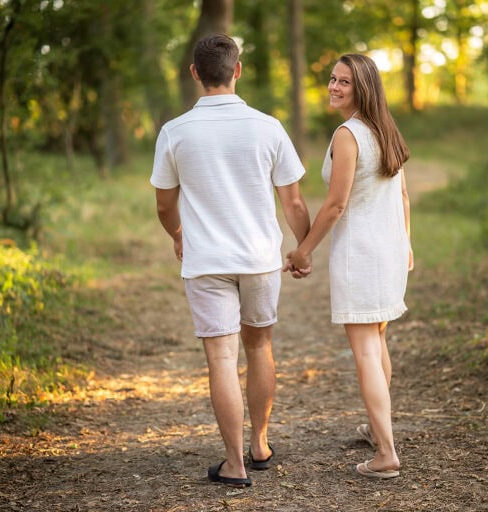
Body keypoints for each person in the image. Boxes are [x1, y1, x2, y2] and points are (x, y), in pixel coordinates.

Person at [151, 34, 312, 488]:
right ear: (237, 70)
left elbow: (165, 206)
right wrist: (302, 249)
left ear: (195, 73)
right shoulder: (268, 127)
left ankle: (233, 463)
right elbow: (294, 203)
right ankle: (259, 444)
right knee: (259, 346)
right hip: (260, 259)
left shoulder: (175, 132)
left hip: (206, 262)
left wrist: (179, 234)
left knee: (221, 358)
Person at [285, 53, 413, 479]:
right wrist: (407, 246)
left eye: (345, 82)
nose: (335, 87)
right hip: (389, 252)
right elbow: (402, 197)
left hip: (361, 255)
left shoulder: (348, 134)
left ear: (363, 89)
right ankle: (380, 434)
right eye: (333, 79)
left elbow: (336, 203)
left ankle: (387, 454)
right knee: (377, 343)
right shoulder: (385, 129)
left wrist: (304, 250)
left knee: (365, 352)